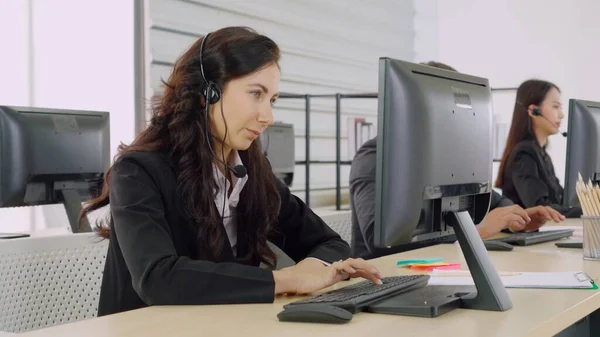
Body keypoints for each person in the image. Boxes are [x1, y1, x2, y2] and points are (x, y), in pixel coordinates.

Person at [80, 27, 382, 317]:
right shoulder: (138, 172)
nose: (268, 116)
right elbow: (158, 278)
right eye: (256, 94)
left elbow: (329, 242)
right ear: (208, 93)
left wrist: (315, 269)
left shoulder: (250, 171)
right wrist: (288, 280)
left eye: (272, 99)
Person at [349, 62, 565, 260]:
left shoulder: (450, 154)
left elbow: (495, 202)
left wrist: (518, 218)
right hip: (386, 278)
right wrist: (476, 231)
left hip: (442, 269)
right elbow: (381, 244)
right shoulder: (375, 156)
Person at [495, 79, 583, 218]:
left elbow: (561, 200)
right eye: (555, 106)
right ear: (533, 111)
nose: (561, 115)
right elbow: (541, 208)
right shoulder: (523, 154)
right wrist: (587, 211)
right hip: (524, 235)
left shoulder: (541, 154)